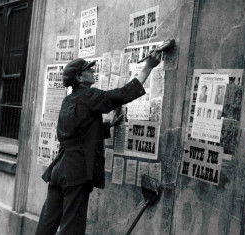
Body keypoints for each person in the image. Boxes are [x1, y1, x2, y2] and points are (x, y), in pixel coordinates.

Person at [35, 51, 162, 235]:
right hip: (76, 171)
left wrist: (107, 125)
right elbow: (122, 94)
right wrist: (148, 67)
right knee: (72, 228)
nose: (92, 71)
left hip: (58, 169)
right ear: (79, 77)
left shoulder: (68, 100)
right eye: (88, 70)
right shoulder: (89, 95)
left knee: (46, 225)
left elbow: (76, 132)